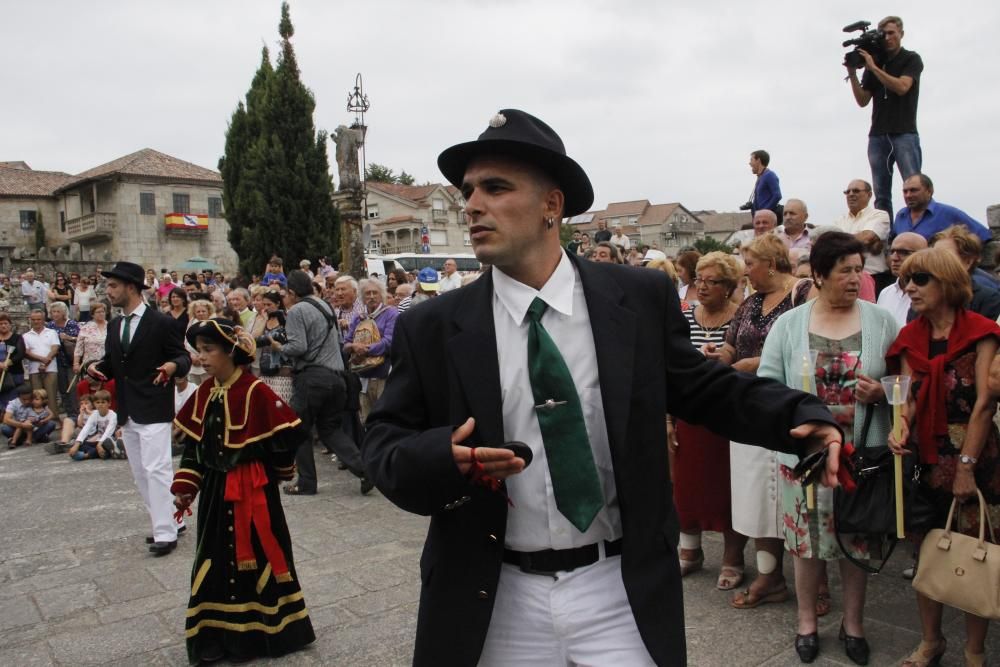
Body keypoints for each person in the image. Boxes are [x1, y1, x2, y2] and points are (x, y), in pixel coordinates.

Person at [362, 108, 843, 666]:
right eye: (468, 190)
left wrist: (801, 416)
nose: (472, 204)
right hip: (492, 592)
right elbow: (384, 442)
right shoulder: (435, 326)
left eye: (495, 187)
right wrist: (440, 457)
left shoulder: (634, 299)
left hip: (618, 587)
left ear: (551, 205)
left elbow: (707, 390)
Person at [759, 231, 899, 664]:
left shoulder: (881, 321)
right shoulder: (789, 323)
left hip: (862, 455)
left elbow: (905, 382)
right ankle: (806, 622)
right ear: (818, 275)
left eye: (859, 270)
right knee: (806, 543)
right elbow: (765, 385)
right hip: (806, 458)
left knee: (856, 542)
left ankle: (852, 624)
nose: (855, 278)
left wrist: (883, 392)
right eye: (845, 271)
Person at [172, 318, 315, 663]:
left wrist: (282, 469)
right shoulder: (204, 392)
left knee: (261, 557)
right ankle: (215, 638)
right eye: (199, 351)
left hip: (254, 489)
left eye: (209, 351)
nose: (202, 358)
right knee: (214, 557)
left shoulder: (255, 391)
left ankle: (265, 635)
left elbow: (284, 436)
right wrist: (186, 485)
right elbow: (194, 447)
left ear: (231, 352)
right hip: (216, 496)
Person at [886, 248, 1000, 667]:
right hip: (926, 460)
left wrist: (966, 466)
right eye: (907, 280)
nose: (910, 287)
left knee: (975, 549)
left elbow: (985, 403)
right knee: (926, 551)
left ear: (947, 283)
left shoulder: (983, 332)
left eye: (920, 279)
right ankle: (931, 641)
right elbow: (906, 399)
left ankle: (975, 651)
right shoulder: (910, 337)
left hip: (975, 453)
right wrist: (898, 429)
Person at [717, 234, 814, 612]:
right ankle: (770, 576)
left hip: (787, 404)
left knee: (799, 494)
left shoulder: (802, 293)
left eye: (750, 263)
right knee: (756, 494)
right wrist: (716, 361)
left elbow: (811, 340)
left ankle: (816, 582)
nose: (745, 271)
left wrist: (754, 364)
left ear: (772, 262)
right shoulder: (751, 301)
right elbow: (731, 342)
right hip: (749, 406)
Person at [85, 261, 191, 556]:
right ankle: (169, 520)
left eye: (113, 286)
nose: (108, 291)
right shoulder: (116, 324)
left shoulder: (162, 322)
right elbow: (113, 362)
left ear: (131, 288)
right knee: (139, 473)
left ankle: (166, 533)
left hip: (155, 405)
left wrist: (171, 366)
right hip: (128, 408)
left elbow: (183, 358)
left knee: (157, 469)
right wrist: (96, 368)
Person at [671, 252, 743, 590]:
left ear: (729, 287)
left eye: (711, 281)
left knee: (728, 488)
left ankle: (733, 559)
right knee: (686, 486)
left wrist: (725, 362)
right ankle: (690, 552)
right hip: (689, 413)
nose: (702, 287)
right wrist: (668, 418)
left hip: (728, 414)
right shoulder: (684, 316)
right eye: (699, 279)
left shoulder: (740, 317)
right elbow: (669, 368)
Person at [275, 270, 371, 496]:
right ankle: (365, 470)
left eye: (284, 294)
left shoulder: (297, 309)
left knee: (297, 429)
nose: (284, 299)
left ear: (291, 292)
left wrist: (278, 346)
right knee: (331, 429)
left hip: (312, 379)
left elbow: (298, 347)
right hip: (336, 378)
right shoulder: (325, 306)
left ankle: (306, 483)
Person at [846, 16, 923, 215]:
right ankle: (885, 237)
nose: (887, 38)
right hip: (878, 134)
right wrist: (853, 73)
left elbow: (902, 87)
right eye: (884, 34)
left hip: (904, 131)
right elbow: (863, 100)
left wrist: (873, 68)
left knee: (913, 187)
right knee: (881, 193)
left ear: (901, 34)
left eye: (891, 33)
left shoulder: (911, 59)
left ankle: (918, 229)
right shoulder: (876, 62)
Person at [343, 279, 398, 422]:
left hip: (383, 375)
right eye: (368, 293)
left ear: (382, 295)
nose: (372, 296)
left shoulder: (391, 313)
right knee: (366, 420)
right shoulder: (359, 317)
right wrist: (353, 347)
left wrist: (365, 349)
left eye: (375, 293)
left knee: (384, 418)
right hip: (362, 376)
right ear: (362, 297)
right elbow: (346, 343)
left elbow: (389, 342)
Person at [832, 179, 892, 293]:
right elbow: (831, 245)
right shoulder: (839, 220)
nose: (850, 194)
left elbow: (866, 238)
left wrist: (840, 242)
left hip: (875, 278)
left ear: (869, 194)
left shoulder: (879, 215)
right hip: (845, 279)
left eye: (856, 191)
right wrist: (860, 241)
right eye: (847, 192)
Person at [892, 173, 991, 243]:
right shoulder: (901, 216)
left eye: (913, 190)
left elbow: (983, 235)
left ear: (929, 191)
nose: (908, 195)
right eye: (905, 191)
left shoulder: (948, 213)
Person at [930, 225, 1000, 320]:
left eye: (945, 256)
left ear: (967, 262)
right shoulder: (925, 297)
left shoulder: (988, 300)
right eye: (933, 256)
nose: (936, 261)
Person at [46, 302, 80, 419]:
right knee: (63, 388)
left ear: (63, 312)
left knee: (73, 387)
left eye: (58, 311)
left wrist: (69, 337)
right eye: (53, 312)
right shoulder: (50, 326)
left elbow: (80, 339)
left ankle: (76, 413)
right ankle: (69, 413)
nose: (55, 314)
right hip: (57, 361)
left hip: (70, 360)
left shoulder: (71, 324)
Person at [23, 309, 60, 412]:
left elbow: (55, 348)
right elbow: (26, 352)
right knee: (36, 396)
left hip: (51, 368)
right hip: (34, 369)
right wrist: (42, 359)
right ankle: (38, 419)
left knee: (51, 395)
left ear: (43, 319)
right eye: (33, 319)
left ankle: (54, 418)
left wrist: (45, 363)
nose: (36, 321)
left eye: (38, 319)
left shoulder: (52, 332)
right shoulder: (26, 336)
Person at [68, 389, 119, 460]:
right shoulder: (95, 414)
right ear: (94, 404)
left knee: (105, 445)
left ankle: (86, 456)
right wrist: (76, 444)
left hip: (109, 440)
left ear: (109, 403)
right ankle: (105, 453)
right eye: (98, 402)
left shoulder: (113, 415)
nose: (100, 404)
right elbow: (86, 428)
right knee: (81, 444)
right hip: (98, 440)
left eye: (103, 402)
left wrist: (99, 444)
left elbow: (109, 431)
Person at [0, 313, 26, 408]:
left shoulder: (17, 338)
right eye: (1, 323)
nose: (3, 325)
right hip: (0, 372)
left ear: (10, 325)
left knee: (13, 398)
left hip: (14, 373)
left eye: (5, 323)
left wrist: (8, 362)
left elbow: (21, 354)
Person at [748, 149, 781, 217]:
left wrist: (765, 212)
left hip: (767, 219)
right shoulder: (760, 177)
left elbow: (777, 195)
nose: (749, 163)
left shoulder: (769, 175)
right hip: (760, 218)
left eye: (751, 160)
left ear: (758, 160)